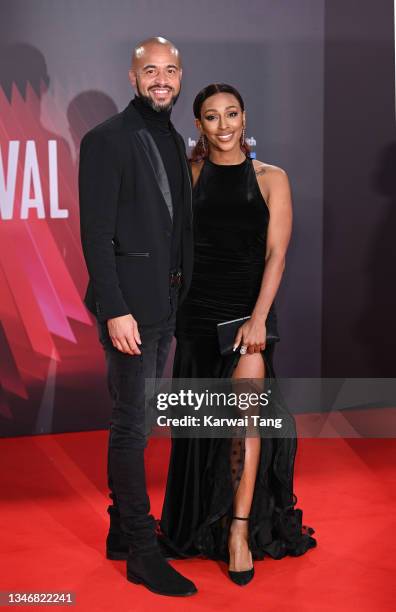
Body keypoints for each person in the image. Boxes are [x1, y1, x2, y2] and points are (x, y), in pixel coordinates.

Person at [159, 83, 316, 585]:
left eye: (231, 114)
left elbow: (277, 256)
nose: (223, 125)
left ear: (245, 118)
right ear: (199, 125)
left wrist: (258, 320)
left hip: (249, 313)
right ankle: (204, 521)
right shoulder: (191, 174)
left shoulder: (272, 179)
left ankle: (239, 531)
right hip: (196, 315)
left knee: (244, 418)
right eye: (211, 117)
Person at [78, 37, 197, 597]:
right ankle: (143, 554)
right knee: (133, 426)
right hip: (130, 310)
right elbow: (96, 236)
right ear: (132, 77)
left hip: (165, 305)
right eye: (150, 70)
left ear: (179, 77)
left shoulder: (173, 137)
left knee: (139, 421)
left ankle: (121, 532)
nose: (161, 79)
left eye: (170, 70)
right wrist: (115, 309)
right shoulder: (107, 140)